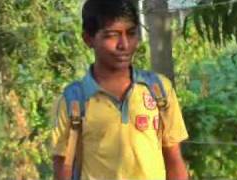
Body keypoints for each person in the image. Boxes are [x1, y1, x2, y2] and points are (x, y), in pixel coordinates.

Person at [51, 0, 189, 179]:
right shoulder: (73, 102)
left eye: (131, 33)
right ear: (88, 39)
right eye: (112, 35)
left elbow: (174, 160)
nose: (124, 45)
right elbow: (64, 168)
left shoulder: (158, 90)